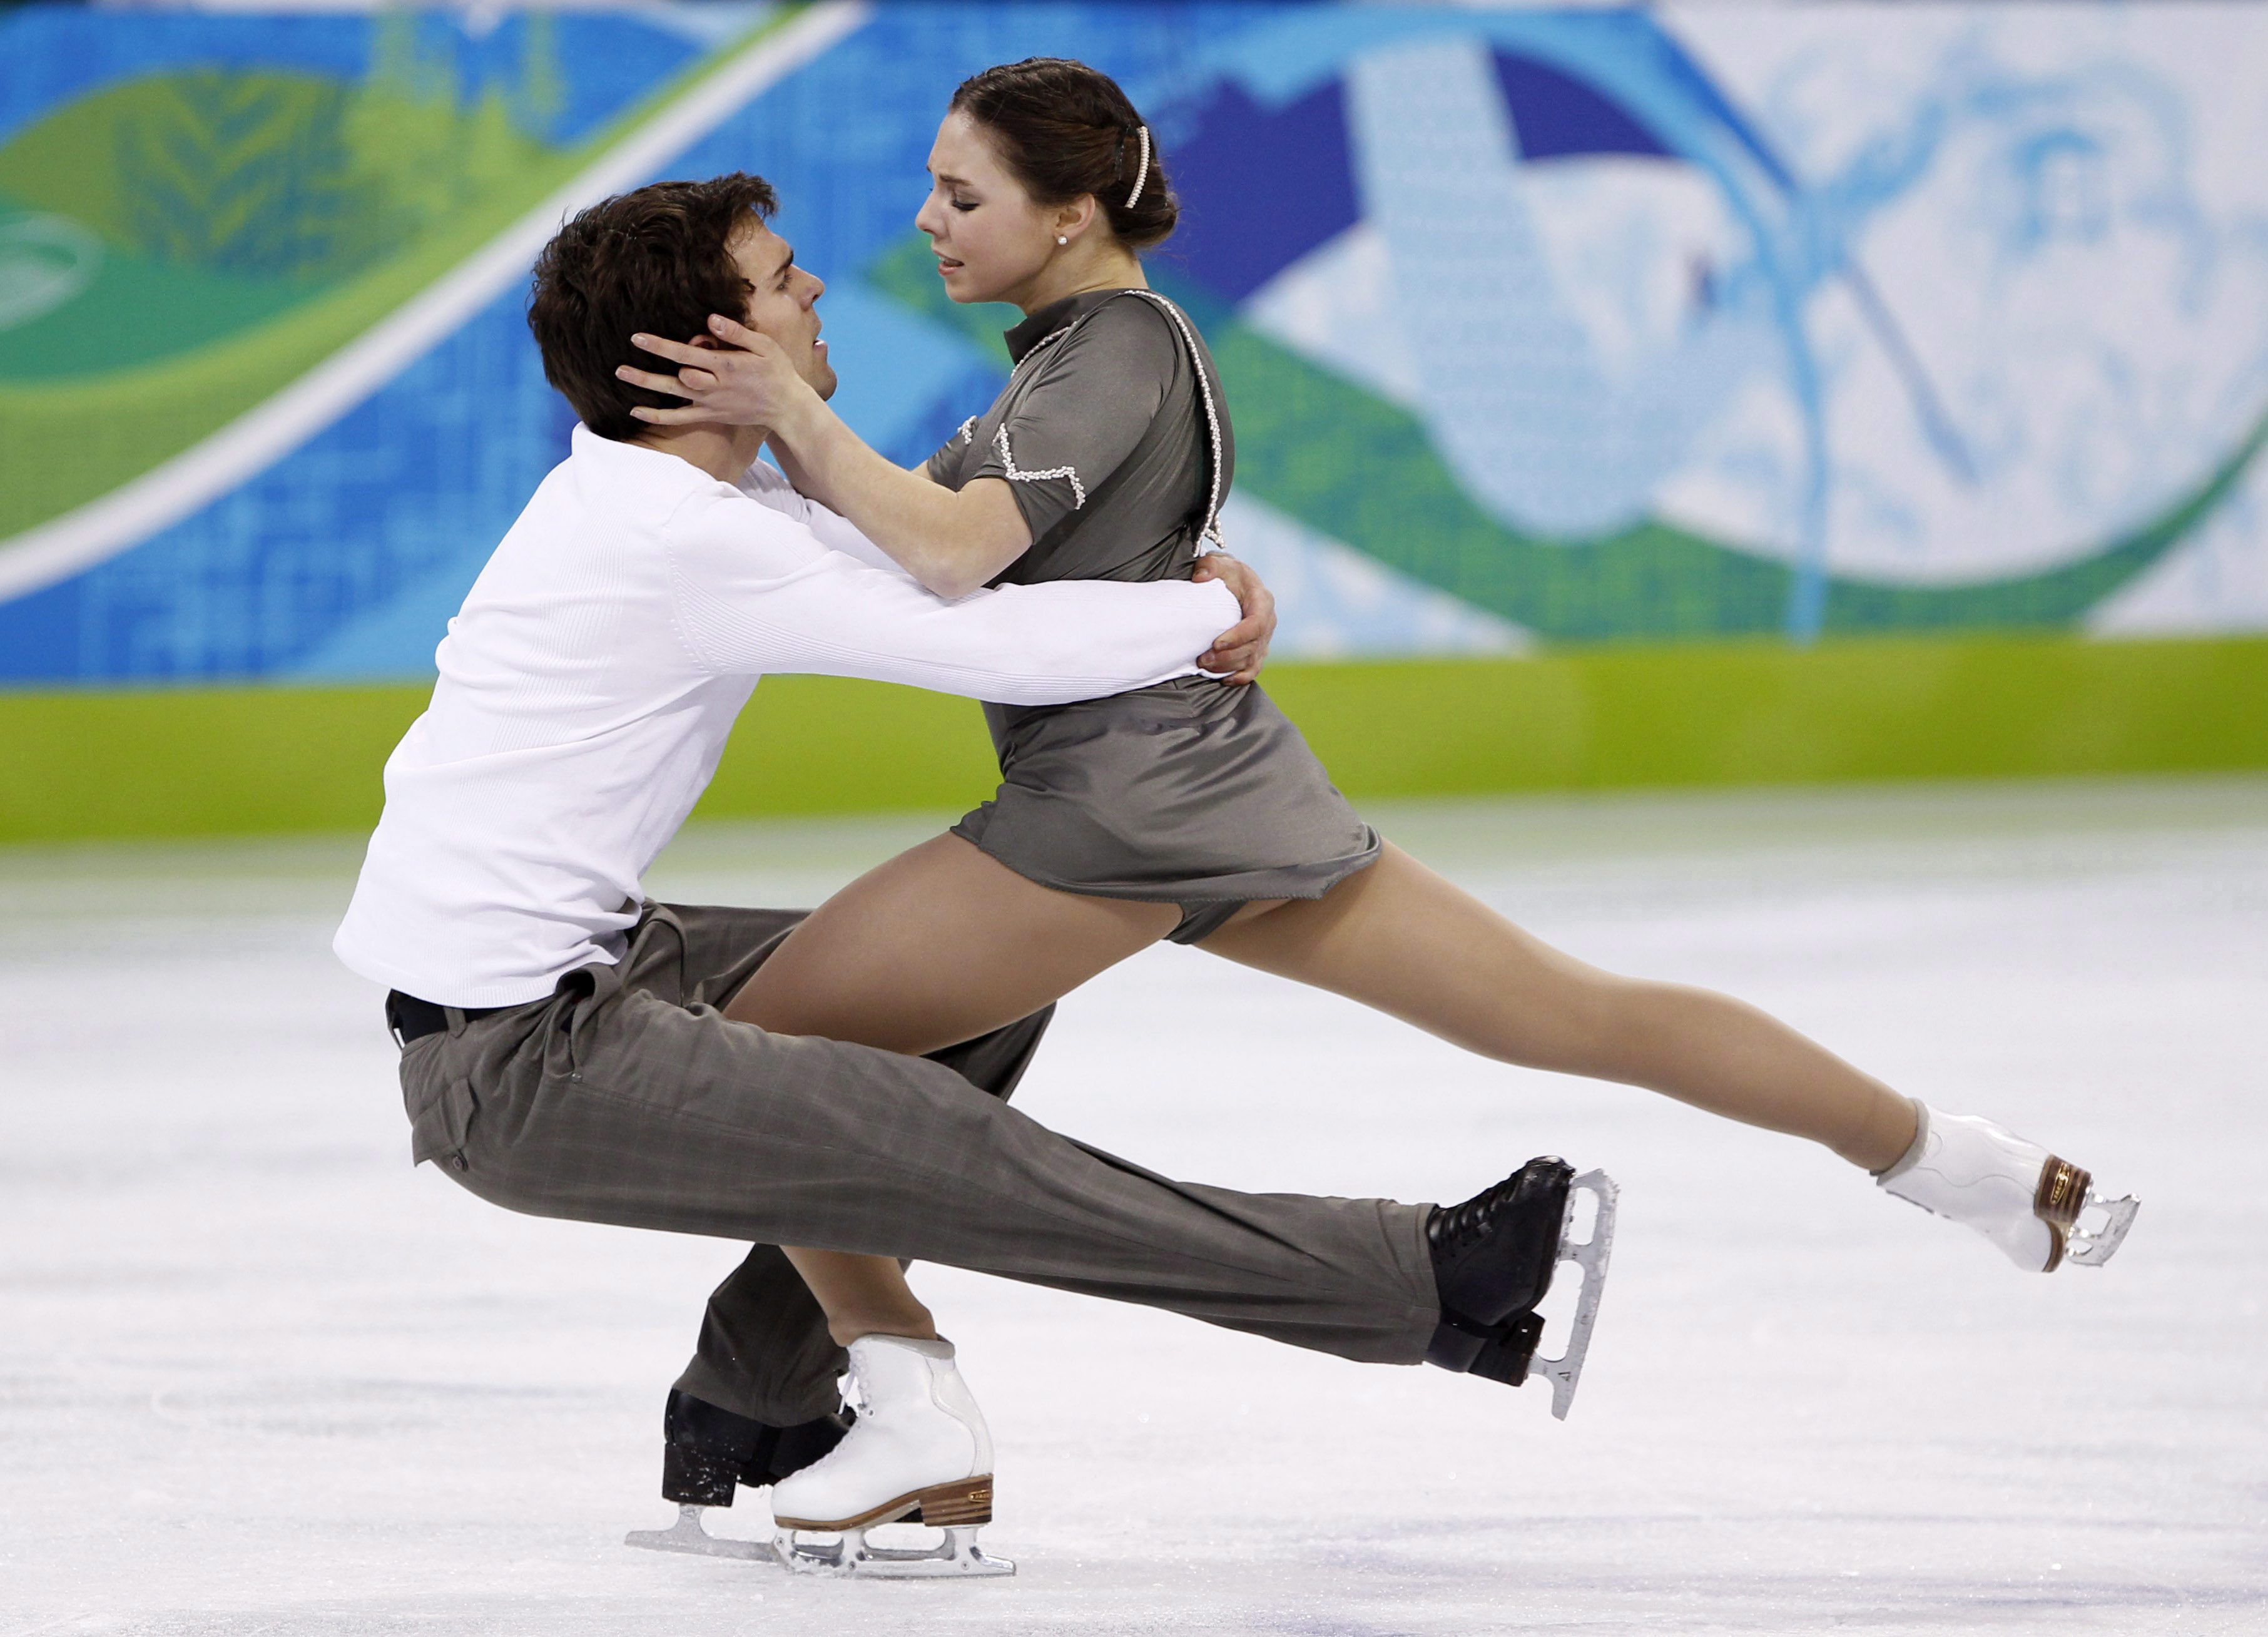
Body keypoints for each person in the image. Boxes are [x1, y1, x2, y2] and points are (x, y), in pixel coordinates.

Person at [616, 58, 2142, 1553]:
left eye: (963, 196)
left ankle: (900, 1397)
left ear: (1070, 211)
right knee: (1574, 1013)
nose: (929, 222)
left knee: (765, 1060)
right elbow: (925, 546)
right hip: (1213, 787)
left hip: (1117, 810)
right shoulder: (1088, 353)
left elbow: (950, 554)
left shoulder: (1114, 349)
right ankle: (1965, 1167)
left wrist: (791, 410)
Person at [333, 168, 1610, 1581]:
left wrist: (1198, 575)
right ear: (712, 352)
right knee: (940, 1151)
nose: (815, 290)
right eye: (781, 280)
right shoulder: (675, 532)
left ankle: (760, 1395)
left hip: (588, 971)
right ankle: (1421, 1286)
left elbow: (941, 573)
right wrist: (1198, 614)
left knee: (964, 998)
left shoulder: (682, 494)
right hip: (516, 1064)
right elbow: (983, 647)